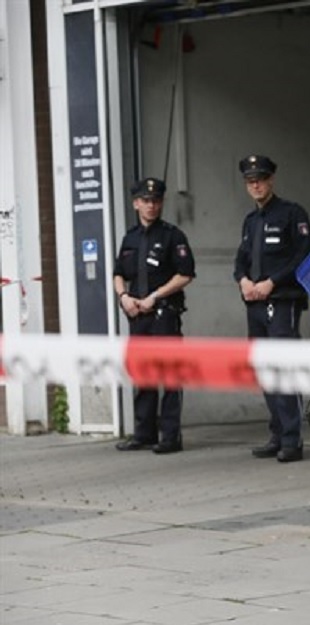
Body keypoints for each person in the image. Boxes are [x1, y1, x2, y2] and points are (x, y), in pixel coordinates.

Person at [233, 155, 310, 463]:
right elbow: (240, 259)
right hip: (254, 303)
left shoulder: (292, 214)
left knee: (284, 367)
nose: (255, 185)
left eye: (260, 179)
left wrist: (273, 282)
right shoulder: (250, 221)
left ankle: (292, 440)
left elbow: (304, 256)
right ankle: (278, 433)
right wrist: (242, 280)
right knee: (265, 369)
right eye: (250, 181)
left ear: (271, 180)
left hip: (282, 302)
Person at [113, 177, 196, 455]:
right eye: (146, 201)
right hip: (138, 316)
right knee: (143, 374)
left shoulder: (173, 236)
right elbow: (118, 274)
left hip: (164, 314)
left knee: (170, 375)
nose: (151, 205)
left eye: (156, 201)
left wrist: (155, 296)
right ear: (136, 203)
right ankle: (144, 433)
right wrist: (124, 297)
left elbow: (185, 274)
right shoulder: (130, 238)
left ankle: (170, 436)